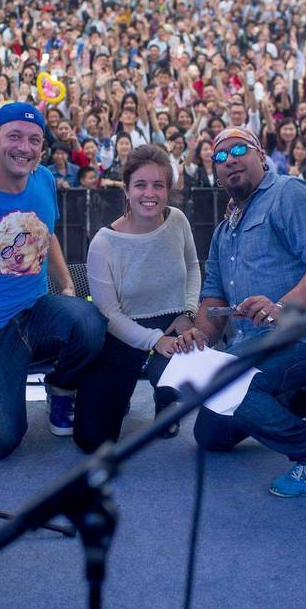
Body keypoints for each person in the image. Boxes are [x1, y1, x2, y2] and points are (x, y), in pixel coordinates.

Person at [183, 127, 306, 497]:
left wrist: (282, 306)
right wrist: (200, 335)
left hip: (305, 334)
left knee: (231, 384)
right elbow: (212, 297)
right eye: (220, 157)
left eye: (239, 149)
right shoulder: (225, 229)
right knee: (210, 435)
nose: (230, 160)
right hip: (254, 342)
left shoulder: (289, 193)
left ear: (261, 155)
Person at [0, 102, 106, 458]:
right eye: (14, 136)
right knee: (1, 441)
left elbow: (47, 235)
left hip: (36, 309)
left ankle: (60, 387)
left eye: (35, 140)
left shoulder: (45, 180)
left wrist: (66, 285)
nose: (25, 147)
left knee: (91, 323)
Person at [74, 146, 201, 451]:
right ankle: (116, 393)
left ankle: (165, 398)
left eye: (159, 185)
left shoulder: (178, 220)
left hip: (174, 322)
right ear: (127, 190)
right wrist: (155, 340)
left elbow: (194, 267)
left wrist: (189, 312)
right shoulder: (104, 243)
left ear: (169, 190)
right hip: (125, 331)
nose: (150, 193)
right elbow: (109, 313)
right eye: (141, 185)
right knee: (92, 440)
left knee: (172, 371)